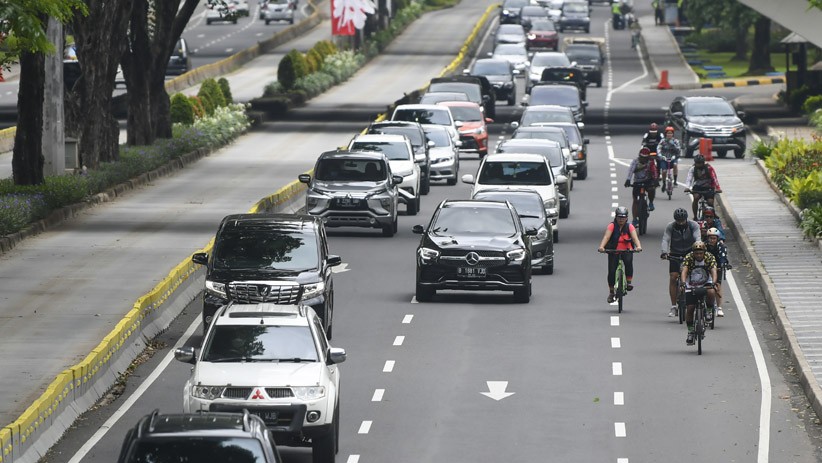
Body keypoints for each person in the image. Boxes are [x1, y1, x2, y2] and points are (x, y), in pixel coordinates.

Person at [660, 208, 702, 317]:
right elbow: (666, 239)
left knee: (693, 277)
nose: (681, 223)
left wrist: (698, 249)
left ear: (686, 219)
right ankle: (674, 306)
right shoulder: (671, 226)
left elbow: (697, 237)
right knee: (673, 277)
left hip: (690, 253)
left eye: (682, 220)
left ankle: (695, 300)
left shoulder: (693, 225)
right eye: (678, 221)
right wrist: (664, 252)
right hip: (675, 253)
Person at [598, 206, 643, 303]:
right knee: (611, 271)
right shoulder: (612, 226)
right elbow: (606, 237)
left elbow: (635, 239)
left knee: (628, 262)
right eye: (619, 217)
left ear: (627, 218)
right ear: (616, 217)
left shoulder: (630, 226)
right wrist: (602, 247)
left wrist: (638, 246)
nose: (621, 219)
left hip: (626, 250)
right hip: (613, 250)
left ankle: (629, 282)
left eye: (623, 217)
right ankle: (611, 292)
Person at [680, 241, 718, 345]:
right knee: (690, 308)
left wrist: (714, 283)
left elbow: (714, 270)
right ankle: (691, 331)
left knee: (711, 292)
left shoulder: (709, 257)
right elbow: (684, 270)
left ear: (704, 252)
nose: (698, 255)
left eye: (700, 253)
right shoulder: (689, 257)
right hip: (691, 284)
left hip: (706, 282)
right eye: (696, 253)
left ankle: (709, 310)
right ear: (693, 253)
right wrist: (683, 283)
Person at [684, 154, 722, 219]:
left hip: (708, 187)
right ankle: (695, 216)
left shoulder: (709, 168)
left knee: (710, 202)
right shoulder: (693, 169)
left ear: (703, 162)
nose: (698, 165)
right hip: (697, 187)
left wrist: (718, 188)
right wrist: (687, 187)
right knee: (696, 198)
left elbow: (714, 178)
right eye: (697, 163)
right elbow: (689, 178)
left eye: (700, 163)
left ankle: (713, 214)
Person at [624, 147, 658, 220]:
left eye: (645, 158)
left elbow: (654, 171)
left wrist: (655, 180)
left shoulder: (651, 162)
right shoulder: (635, 161)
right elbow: (631, 170)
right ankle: (634, 219)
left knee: (652, 189)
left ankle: (651, 202)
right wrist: (628, 179)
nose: (643, 159)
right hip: (637, 181)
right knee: (635, 200)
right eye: (642, 157)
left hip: (648, 180)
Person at [705, 227, 729, 317]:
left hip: (717, 268)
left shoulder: (721, 246)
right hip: (705, 268)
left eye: (714, 238)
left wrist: (723, 265)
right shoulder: (704, 246)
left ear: (717, 238)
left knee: (717, 286)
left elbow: (723, 258)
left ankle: (719, 308)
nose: (712, 240)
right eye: (710, 238)